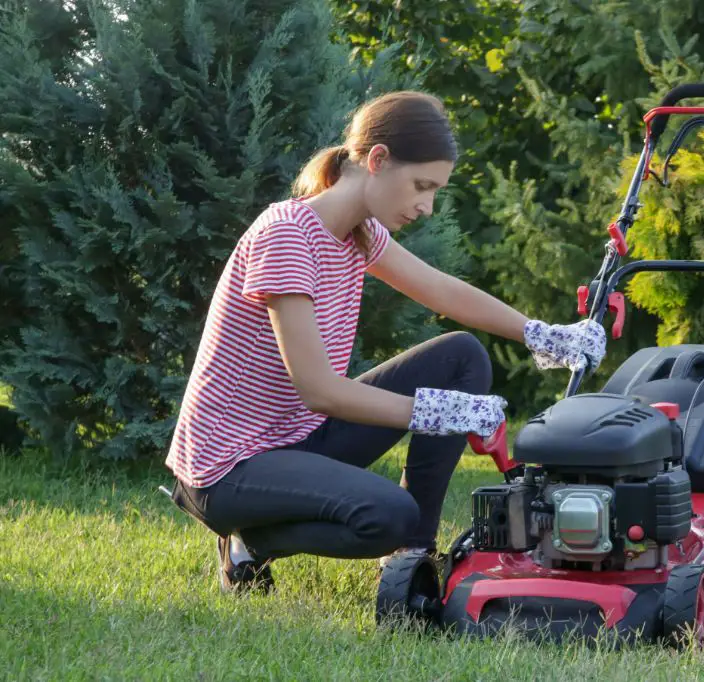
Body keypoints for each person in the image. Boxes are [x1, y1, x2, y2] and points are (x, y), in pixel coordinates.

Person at [164, 90, 606, 594]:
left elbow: (441, 289)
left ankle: (412, 558)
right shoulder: (285, 235)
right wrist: (439, 413)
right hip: (229, 466)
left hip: (299, 438)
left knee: (461, 356)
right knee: (388, 514)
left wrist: (541, 334)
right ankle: (250, 545)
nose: (427, 206)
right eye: (422, 186)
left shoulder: (360, 232)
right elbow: (320, 391)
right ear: (377, 160)